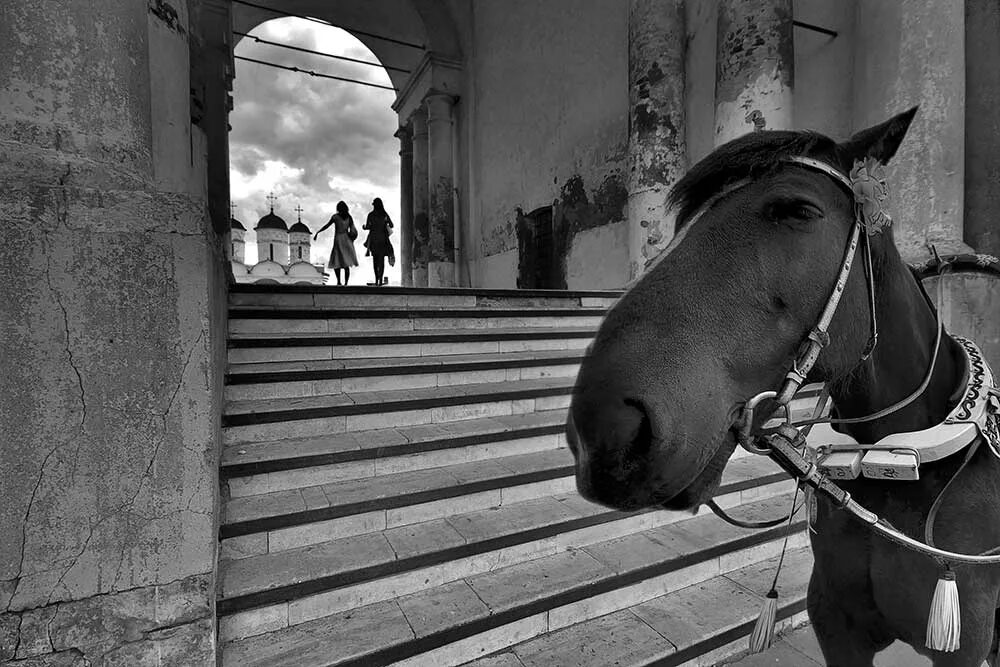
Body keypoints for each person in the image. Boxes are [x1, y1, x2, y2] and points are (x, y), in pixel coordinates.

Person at [314, 201, 359, 285]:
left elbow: (327, 225)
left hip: (338, 240)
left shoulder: (335, 217)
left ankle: (338, 281)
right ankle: (346, 283)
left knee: (336, 261)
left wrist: (318, 232)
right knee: (346, 262)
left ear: (338, 208)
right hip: (347, 240)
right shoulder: (349, 217)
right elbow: (353, 229)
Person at [363, 197, 395, 286]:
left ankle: (376, 279)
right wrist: (385, 223)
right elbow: (392, 225)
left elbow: (368, 227)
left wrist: (364, 227)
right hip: (383, 240)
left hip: (373, 240)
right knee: (381, 261)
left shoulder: (371, 215)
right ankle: (380, 280)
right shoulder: (384, 214)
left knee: (375, 260)